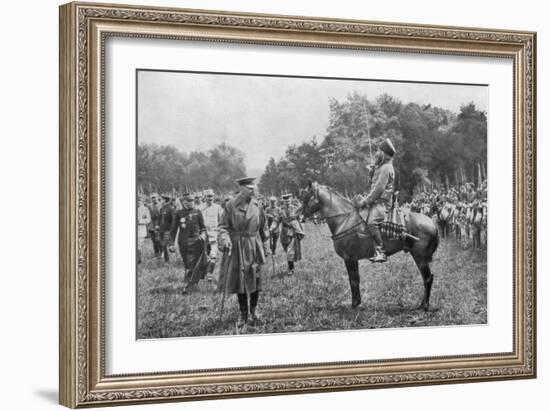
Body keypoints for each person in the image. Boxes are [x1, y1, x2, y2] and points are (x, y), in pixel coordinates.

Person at [217, 177, 269, 327]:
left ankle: (254, 311)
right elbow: (222, 227)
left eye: (254, 188)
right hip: (238, 246)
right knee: (240, 281)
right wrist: (225, 238)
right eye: (250, 188)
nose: (254, 190)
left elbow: (263, 227)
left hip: (254, 245)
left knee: (255, 279)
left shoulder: (258, 205)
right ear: (242, 189)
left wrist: (266, 245)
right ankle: (243, 313)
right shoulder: (231, 206)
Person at [356, 138, 396, 263]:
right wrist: (372, 172)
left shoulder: (386, 168)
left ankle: (381, 251)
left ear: (384, 153)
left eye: (378, 151)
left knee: (371, 222)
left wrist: (365, 201)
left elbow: (378, 189)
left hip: (383, 203)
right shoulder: (381, 167)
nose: (376, 154)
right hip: (377, 201)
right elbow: (372, 185)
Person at [170, 192, 207, 293]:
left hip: (196, 242)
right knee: (188, 263)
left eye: (192, 200)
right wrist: (171, 244)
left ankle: (189, 286)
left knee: (194, 264)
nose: (191, 202)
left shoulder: (198, 212)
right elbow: (173, 229)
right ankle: (190, 283)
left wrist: (203, 234)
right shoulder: (178, 213)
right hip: (183, 243)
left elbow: (203, 227)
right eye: (188, 200)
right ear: (183, 202)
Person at [275, 193, 304, 275]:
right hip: (284, 234)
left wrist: (299, 224)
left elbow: (300, 219)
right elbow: (276, 220)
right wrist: (272, 227)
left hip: (292, 232)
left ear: (291, 201)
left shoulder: (295, 209)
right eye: (285, 201)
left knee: (290, 252)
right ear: (283, 202)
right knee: (286, 250)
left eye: (288, 201)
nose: (287, 203)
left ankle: (291, 269)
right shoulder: (280, 211)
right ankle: (291, 265)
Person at [201, 189, 223, 282]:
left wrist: (220, 233)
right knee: (204, 255)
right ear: (204, 197)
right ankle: (204, 272)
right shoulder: (200, 208)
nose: (210, 198)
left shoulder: (218, 208)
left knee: (213, 255)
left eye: (211, 196)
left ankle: (210, 273)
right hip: (203, 236)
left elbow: (222, 221)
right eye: (208, 196)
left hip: (214, 234)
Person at [158, 195, 175, 263]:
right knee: (163, 245)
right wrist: (157, 226)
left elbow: (173, 220)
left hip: (168, 230)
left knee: (165, 244)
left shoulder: (171, 209)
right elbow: (159, 219)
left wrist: (171, 229)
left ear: (165, 200)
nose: (160, 201)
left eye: (161, 199)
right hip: (161, 229)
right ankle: (167, 259)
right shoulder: (161, 209)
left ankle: (168, 260)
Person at [137, 195, 151, 264]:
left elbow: (148, 219)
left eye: (140, 200)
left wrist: (140, 221)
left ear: (143, 201)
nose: (138, 202)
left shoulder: (145, 209)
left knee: (139, 246)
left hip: (140, 230)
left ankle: (139, 259)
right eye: (137, 200)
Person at [148, 193, 162, 257]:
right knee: (154, 241)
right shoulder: (149, 206)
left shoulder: (161, 205)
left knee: (159, 240)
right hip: (151, 225)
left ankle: (162, 253)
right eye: (152, 198)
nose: (154, 199)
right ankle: (156, 254)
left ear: (157, 197)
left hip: (159, 224)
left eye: (155, 197)